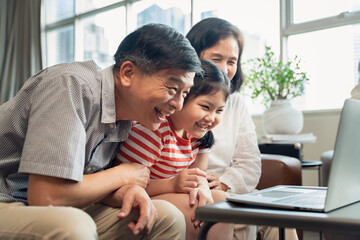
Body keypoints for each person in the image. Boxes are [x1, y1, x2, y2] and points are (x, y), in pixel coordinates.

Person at [0, 23, 203, 239]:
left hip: (40, 205)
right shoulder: (70, 86)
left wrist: (128, 190)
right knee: (73, 226)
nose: (178, 105)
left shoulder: (128, 117)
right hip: (7, 198)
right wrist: (122, 174)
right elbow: (47, 197)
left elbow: (88, 181)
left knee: (166, 216)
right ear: (128, 73)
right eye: (173, 89)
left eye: (184, 94)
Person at [186, 18, 298, 240]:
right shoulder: (178, 96)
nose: (225, 70)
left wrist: (225, 182)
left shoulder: (236, 102)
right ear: (193, 55)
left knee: (280, 220)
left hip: (229, 187)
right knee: (240, 218)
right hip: (194, 188)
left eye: (232, 61)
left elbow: (250, 163)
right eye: (216, 59)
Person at [117, 59, 234, 240]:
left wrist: (201, 185)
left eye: (219, 110)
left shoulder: (198, 137)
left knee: (223, 202)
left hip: (167, 193)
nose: (211, 118)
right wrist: (172, 184)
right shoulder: (153, 130)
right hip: (138, 196)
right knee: (200, 210)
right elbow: (124, 184)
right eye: (205, 107)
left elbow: (198, 174)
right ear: (181, 98)